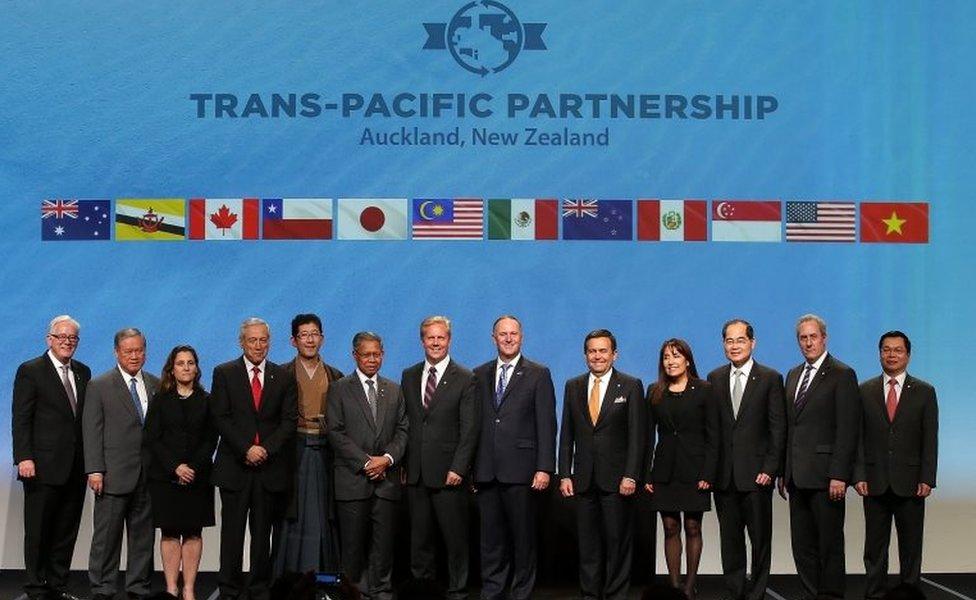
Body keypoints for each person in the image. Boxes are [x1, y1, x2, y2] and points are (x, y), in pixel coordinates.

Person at [211, 317, 298, 600]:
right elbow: (220, 417)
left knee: (262, 536)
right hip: (235, 467)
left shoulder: (283, 376)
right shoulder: (224, 373)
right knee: (232, 535)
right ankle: (229, 589)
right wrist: (246, 448)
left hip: (269, 469)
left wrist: (265, 450)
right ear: (241, 342)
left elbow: (288, 421)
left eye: (263, 340)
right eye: (253, 340)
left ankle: (259, 588)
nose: (258, 346)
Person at [472, 315, 557, 600]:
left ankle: (521, 593)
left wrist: (545, 467)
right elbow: (475, 424)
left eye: (513, 334)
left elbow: (547, 424)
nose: (508, 338)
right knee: (491, 540)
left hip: (522, 471)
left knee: (523, 539)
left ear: (521, 337)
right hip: (486, 470)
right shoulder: (479, 373)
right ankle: (492, 591)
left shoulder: (538, 373)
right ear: (493, 338)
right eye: (502, 334)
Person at [558, 329, 645, 600]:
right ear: (586, 355)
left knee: (617, 542)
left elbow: (637, 437)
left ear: (614, 354)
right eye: (592, 351)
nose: (597, 356)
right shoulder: (573, 385)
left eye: (603, 351)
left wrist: (631, 475)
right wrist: (564, 474)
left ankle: (616, 594)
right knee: (588, 544)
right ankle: (590, 594)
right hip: (583, 479)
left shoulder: (631, 386)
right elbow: (567, 434)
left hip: (617, 480)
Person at [779, 314, 860, 600]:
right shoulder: (792, 375)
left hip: (827, 476)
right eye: (803, 337)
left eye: (813, 336)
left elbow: (848, 430)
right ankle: (811, 594)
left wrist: (840, 474)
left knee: (829, 544)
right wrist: (783, 472)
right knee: (802, 545)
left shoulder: (842, 374)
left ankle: (832, 596)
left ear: (824, 338)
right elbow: (790, 427)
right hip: (796, 476)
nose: (808, 342)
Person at [854, 331, 938, 599]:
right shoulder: (864, 390)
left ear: (908, 355)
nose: (892, 355)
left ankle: (910, 592)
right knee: (875, 547)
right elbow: (857, 437)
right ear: (879, 354)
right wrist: (858, 475)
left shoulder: (925, 391)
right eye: (886, 350)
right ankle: (875, 594)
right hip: (874, 481)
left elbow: (930, 439)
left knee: (911, 546)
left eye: (897, 350)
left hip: (911, 482)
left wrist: (927, 477)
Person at [12, 315, 91, 600]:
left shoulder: (83, 372)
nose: (67, 342)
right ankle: (35, 587)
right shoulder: (31, 370)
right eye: (62, 337)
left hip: (76, 466)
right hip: (41, 466)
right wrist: (24, 457)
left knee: (66, 529)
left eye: (72, 338)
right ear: (49, 339)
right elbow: (21, 418)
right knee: (38, 530)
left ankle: (58, 585)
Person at [706, 320, 786, 600]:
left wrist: (770, 468)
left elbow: (778, 428)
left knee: (760, 540)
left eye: (740, 340)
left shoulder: (770, 378)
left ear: (753, 343)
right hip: (724, 476)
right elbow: (712, 430)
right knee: (730, 542)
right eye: (729, 341)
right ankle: (735, 591)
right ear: (723, 345)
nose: (735, 345)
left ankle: (758, 593)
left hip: (756, 476)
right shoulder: (714, 378)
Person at [401, 315, 479, 600]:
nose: (435, 342)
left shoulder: (466, 377)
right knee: (419, 540)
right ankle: (423, 592)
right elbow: (408, 423)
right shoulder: (409, 375)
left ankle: (457, 591)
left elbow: (470, 429)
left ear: (449, 340)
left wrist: (459, 467)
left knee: (455, 539)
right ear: (422, 341)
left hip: (449, 473)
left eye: (441, 337)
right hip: (417, 473)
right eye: (430, 337)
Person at [327, 331, 409, 600]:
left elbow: (403, 430)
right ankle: (353, 592)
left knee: (383, 545)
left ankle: (381, 590)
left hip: (386, 482)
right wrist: (365, 462)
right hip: (353, 480)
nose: (372, 359)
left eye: (377, 354)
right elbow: (336, 432)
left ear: (382, 355)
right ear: (355, 356)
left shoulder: (394, 390)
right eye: (366, 354)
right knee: (352, 546)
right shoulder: (339, 388)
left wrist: (385, 460)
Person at [83, 327, 159, 600]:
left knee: (143, 537)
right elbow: (92, 431)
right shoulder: (99, 385)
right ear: (117, 352)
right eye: (129, 351)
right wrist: (94, 469)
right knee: (106, 538)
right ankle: (103, 587)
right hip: (112, 474)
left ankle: (138, 586)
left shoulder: (155, 383)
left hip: (147, 475)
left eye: (139, 350)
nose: (134, 356)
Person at [644, 338, 719, 600]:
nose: (671, 361)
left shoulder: (705, 389)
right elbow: (646, 436)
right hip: (664, 470)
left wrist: (708, 473)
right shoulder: (654, 391)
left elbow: (713, 436)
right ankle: (675, 588)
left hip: (695, 470)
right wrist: (646, 474)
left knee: (693, 527)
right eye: (666, 357)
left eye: (676, 356)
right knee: (670, 527)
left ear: (687, 360)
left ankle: (690, 586)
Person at [143, 345, 218, 600]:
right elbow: (152, 438)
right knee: (170, 531)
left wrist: (192, 467)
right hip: (166, 477)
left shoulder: (207, 400)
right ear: (171, 369)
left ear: (196, 368)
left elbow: (211, 439)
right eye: (180, 363)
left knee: (194, 532)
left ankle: (188, 589)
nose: (186, 367)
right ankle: (171, 587)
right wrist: (175, 466)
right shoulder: (160, 400)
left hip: (198, 477)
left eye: (190, 363)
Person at [273, 314, 344, 576]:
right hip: (294, 450)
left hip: (326, 450)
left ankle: (327, 575)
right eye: (304, 335)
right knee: (294, 513)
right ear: (293, 341)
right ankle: (290, 576)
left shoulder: (336, 376)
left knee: (324, 514)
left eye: (315, 334)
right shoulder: (281, 374)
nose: (310, 339)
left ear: (322, 338)